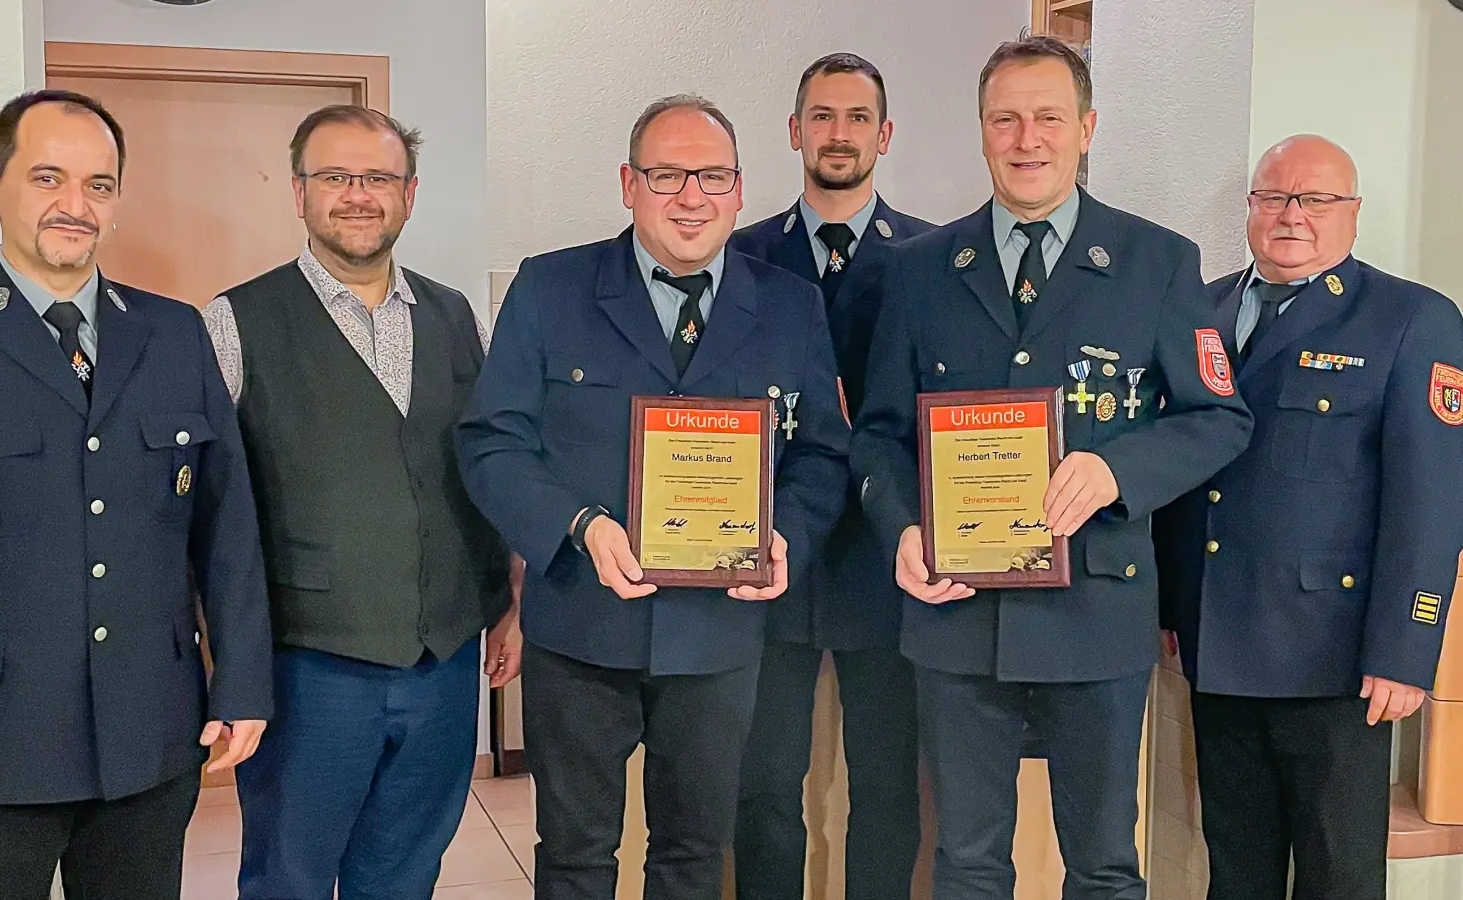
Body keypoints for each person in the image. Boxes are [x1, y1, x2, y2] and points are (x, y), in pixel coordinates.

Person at [850, 38, 1253, 899]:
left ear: (1087, 129)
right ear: (982, 132)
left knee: (1105, 863)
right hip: (957, 615)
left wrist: (1118, 472)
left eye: (1048, 117)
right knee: (964, 860)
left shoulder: (1157, 261)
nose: (1027, 137)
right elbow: (878, 434)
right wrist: (903, 530)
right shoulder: (920, 270)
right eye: (1006, 118)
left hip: (1096, 613)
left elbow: (1219, 417)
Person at [0, 89, 273, 900]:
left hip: (151, 733)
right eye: (47, 178)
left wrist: (243, 682)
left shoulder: (173, 331)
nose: (75, 206)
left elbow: (227, 530)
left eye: (98, 184)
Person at [456, 94, 849, 900]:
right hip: (580, 631)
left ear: (740, 190)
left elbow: (821, 456)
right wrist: (579, 526)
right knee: (574, 852)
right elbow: (492, 441)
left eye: (712, 176)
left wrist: (786, 538)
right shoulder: (550, 287)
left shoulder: (787, 306)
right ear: (628, 184)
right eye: (667, 175)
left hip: (720, 634)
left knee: (693, 855)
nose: (692, 197)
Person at [201, 105, 520, 900]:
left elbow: (486, 470)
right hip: (308, 666)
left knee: (406, 870)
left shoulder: (457, 317)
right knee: (291, 875)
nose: (357, 195)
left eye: (378, 177)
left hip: (444, 661)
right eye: (335, 176)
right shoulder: (233, 321)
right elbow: (209, 505)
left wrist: (509, 595)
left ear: (409, 194)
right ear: (299, 193)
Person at [1153, 134, 1463, 900]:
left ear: (1352, 213)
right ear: (1251, 208)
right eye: (1273, 197)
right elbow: (1184, 463)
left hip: (1337, 658)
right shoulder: (1205, 307)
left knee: (1337, 876)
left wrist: (1406, 647)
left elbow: (1431, 499)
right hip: (1219, 642)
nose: (1293, 215)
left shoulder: (1410, 318)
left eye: (1316, 199)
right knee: (1237, 868)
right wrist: (1169, 604)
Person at [728, 52, 933, 900]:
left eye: (856, 117)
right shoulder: (740, 251)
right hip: (767, 552)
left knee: (886, 789)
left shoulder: (931, 256)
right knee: (764, 785)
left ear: (884, 134)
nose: (838, 134)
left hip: (890, 560)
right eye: (822, 116)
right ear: (794, 131)